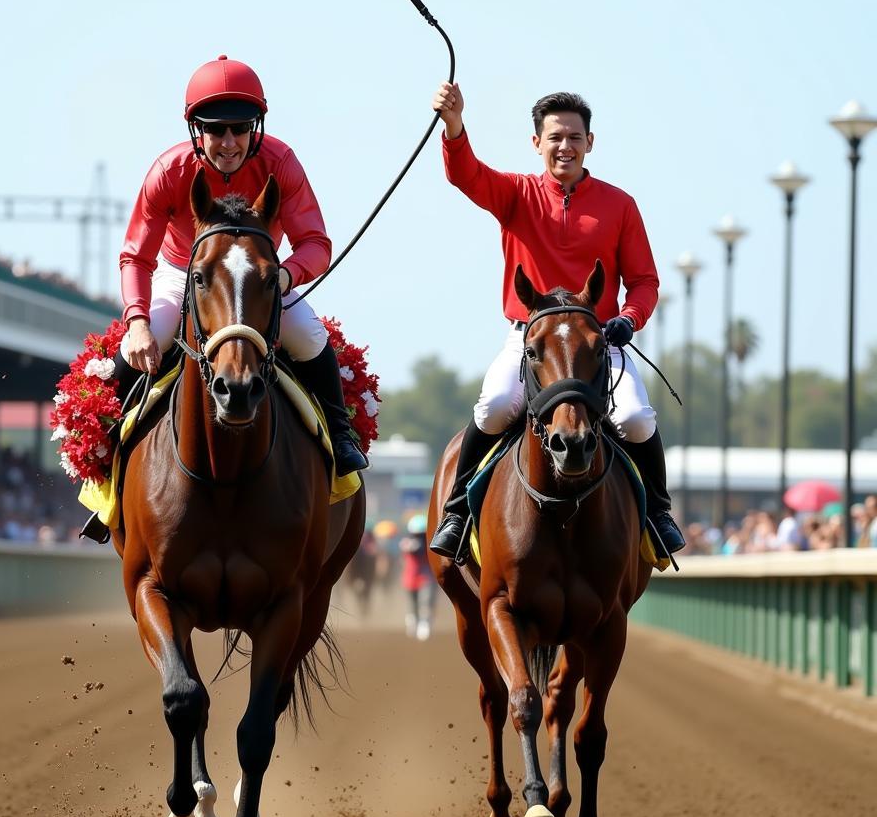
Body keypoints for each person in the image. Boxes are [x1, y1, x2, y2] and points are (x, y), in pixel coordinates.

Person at [428, 83, 684, 559]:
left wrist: (629, 318)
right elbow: (467, 176)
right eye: (554, 137)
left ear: (590, 143)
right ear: (536, 143)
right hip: (531, 340)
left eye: (574, 137)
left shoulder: (620, 204)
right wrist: (455, 125)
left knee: (634, 417)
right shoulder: (515, 194)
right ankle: (460, 511)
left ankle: (658, 514)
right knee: (495, 405)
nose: (564, 146)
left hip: (599, 342)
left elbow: (645, 281)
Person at [114, 55, 368, 478]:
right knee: (147, 338)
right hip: (185, 274)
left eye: (240, 129)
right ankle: (106, 459)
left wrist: (284, 275)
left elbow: (315, 244)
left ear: (256, 128)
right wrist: (137, 321)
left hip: (260, 278)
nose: (229, 142)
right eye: (216, 130)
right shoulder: (169, 170)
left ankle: (340, 436)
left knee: (307, 334)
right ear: (198, 130)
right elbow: (136, 257)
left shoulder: (281, 162)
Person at [399, 514, 435, 640]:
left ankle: (424, 624)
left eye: (421, 534)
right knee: (412, 604)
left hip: (426, 579)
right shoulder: (406, 543)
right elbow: (409, 549)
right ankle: (413, 623)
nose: (419, 537)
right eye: (417, 534)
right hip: (410, 579)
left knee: (425, 603)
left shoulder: (431, 543)